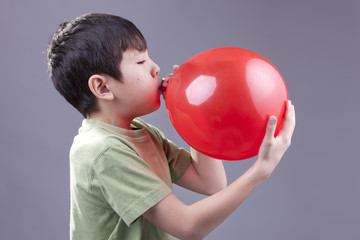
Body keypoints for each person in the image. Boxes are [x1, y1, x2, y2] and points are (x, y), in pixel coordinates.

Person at [47, 13, 295, 240]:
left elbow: (211, 184)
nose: (155, 68)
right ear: (102, 87)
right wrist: (260, 171)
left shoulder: (141, 131)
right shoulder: (102, 151)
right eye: (141, 61)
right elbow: (187, 226)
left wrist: (198, 113)